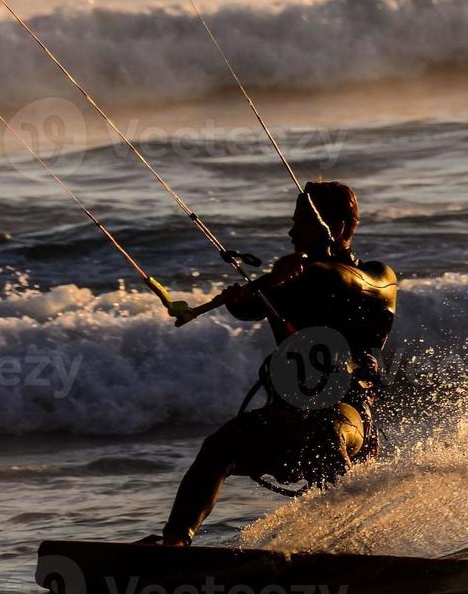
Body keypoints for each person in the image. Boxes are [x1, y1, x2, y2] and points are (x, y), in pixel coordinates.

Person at [147, 181, 398, 546]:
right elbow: (247, 307)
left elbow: (349, 280)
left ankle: (358, 547)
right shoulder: (292, 284)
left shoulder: (378, 278)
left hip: (349, 419)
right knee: (221, 445)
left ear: (338, 229)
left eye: (301, 223)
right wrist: (240, 298)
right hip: (285, 417)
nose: (292, 232)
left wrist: (310, 266)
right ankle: (174, 544)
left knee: (325, 433)